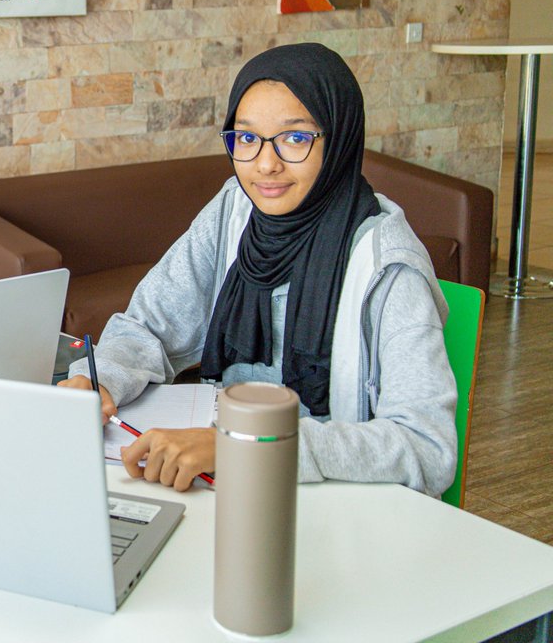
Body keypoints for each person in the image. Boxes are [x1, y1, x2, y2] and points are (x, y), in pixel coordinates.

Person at [60, 43, 457, 497]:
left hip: (341, 505)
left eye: (295, 138)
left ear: (340, 138)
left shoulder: (387, 265)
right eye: (247, 138)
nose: (266, 164)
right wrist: (101, 379)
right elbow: (147, 325)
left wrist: (246, 449)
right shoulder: (236, 209)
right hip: (235, 486)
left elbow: (427, 448)